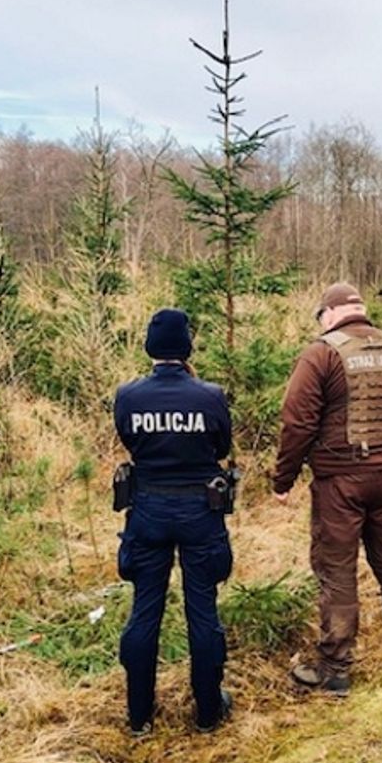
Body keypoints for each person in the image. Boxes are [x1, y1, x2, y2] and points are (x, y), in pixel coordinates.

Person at [273, 282, 382, 694]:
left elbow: (297, 423)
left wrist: (283, 479)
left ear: (329, 313)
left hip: (339, 483)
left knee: (337, 568)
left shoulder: (321, 354)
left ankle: (335, 667)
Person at [114, 309, 234, 736]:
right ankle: (208, 713)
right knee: (202, 611)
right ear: (187, 347)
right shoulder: (210, 396)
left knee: (145, 609)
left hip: (147, 511)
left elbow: (129, 440)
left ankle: (139, 715)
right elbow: (222, 447)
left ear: (150, 347)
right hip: (201, 513)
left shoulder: (128, 396)